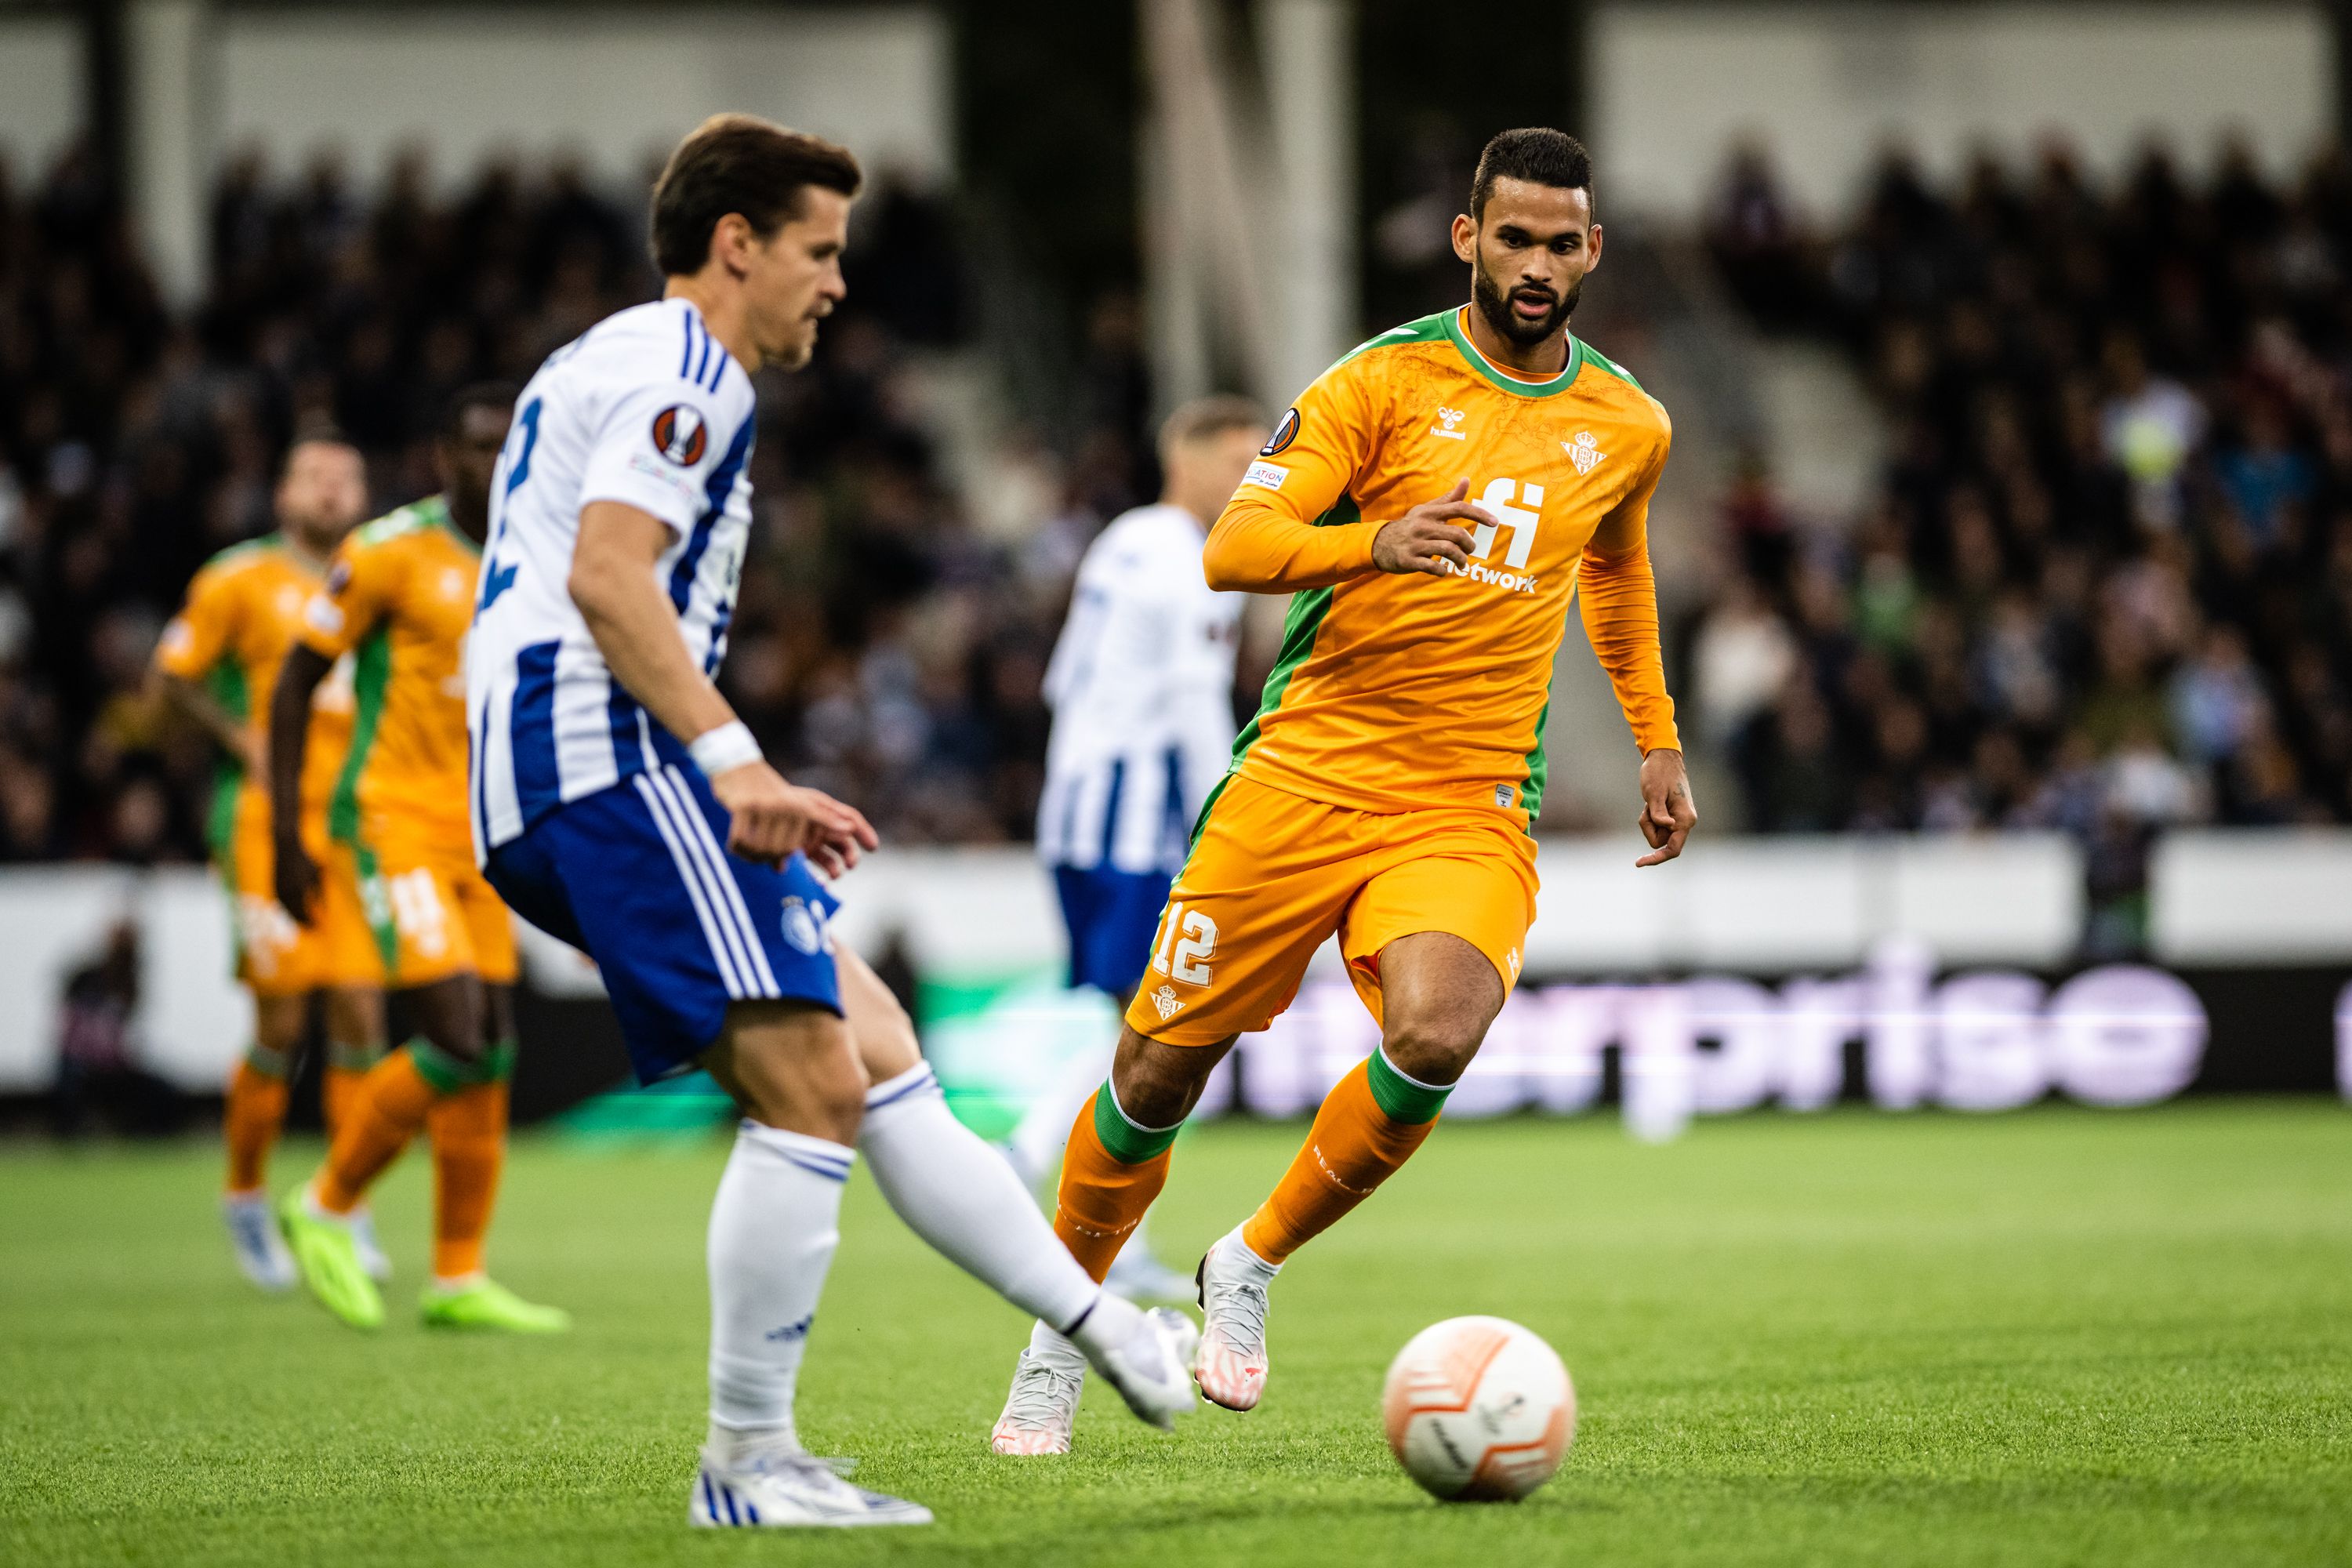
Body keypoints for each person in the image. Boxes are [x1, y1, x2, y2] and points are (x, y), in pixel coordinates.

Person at [456, 114, 1195, 1529]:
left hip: (563, 768)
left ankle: (1103, 1334)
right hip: (602, 766)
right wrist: (734, 762)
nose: (839, 284)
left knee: (872, 1048)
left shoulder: (603, 357)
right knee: (814, 1090)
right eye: (819, 251)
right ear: (736, 246)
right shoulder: (693, 375)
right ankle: (747, 1462)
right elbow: (614, 583)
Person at [991, 127, 1697, 1450]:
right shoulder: (1377, 384)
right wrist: (1378, 540)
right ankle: (1060, 1336)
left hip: (1468, 791)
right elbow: (1236, 545)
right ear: (1468, 240)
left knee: (1439, 1031)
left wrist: (1656, 739)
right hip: (1308, 767)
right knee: (1152, 1072)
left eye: (1563, 243)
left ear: (1590, 250)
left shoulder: (1627, 422)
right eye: (1516, 239)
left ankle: (1246, 1263)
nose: (1538, 266)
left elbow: (1616, 573)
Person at [994, 396, 1265, 1438]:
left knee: (1143, 1024)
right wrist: (1221, 817)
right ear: (1184, 460)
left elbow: (1067, 678)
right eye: (1235, 461)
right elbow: (1198, 705)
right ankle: (1032, 1158)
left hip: (1083, 808)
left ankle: (1099, 1207)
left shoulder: (1122, 543)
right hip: (1135, 824)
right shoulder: (1187, 556)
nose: (1249, 481)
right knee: (1160, 1029)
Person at [272, 384, 567, 1334]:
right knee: (456, 1031)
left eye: (508, 446)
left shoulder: (540, 559)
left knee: (495, 1047)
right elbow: (294, 683)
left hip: (489, 835)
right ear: (446, 454)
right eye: (477, 446)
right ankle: (323, 1201)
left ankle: (457, 1275)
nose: (493, 464)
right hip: (393, 819)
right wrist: (287, 828)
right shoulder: (390, 552)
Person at [151, 431, 392, 1290]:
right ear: (282, 493)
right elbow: (170, 674)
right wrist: (240, 738)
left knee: (363, 1011)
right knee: (284, 1020)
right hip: (263, 821)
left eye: (346, 475)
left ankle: (341, 1201)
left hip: (355, 821)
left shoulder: (378, 571)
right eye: (314, 476)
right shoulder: (236, 578)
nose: (331, 490)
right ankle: (246, 1195)